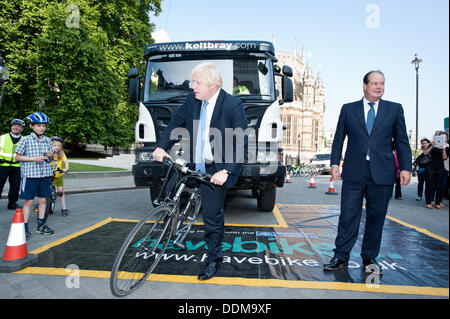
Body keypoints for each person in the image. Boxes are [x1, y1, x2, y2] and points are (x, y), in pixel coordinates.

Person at [153, 62, 248, 280]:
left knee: (212, 217)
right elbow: (175, 123)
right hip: (194, 160)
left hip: (217, 167)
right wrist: (161, 146)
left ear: (212, 85)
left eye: (197, 82)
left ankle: (214, 259)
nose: (192, 86)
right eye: (192, 81)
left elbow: (241, 142)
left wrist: (226, 171)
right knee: (170, 183)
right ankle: (170, 219)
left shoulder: (233, 105)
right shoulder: (192, 100)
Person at [324, 70, 411, 275]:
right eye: (374, 83)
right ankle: (341, 256)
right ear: (364, 86)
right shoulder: (348, 109)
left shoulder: (394, 109)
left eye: (382, 83)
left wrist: (406, 167)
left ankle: (370, 257)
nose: (378, 87)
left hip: (383, 172)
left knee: (376, 217)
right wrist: (335, 163)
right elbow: (338, 139)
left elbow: (402, 141)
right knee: (348, 216)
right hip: (355, 170)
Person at [14, 112, 54, 239]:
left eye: (43, 126)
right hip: (30, 175)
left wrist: (50, 155)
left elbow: (52, 157)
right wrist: (34, 159)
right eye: (38, 125)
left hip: (45, 175)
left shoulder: (48, 140)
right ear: (31, 126)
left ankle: (41, 225)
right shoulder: (25, 140)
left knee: (43, 200)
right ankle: (24, 227)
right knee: (29, 202)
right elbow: (17, 157)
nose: (42, 128)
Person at [0, 119, 25, 210]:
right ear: (11, 126)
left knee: (15, 186)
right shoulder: (2, 137)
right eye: (14, 125)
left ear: (22, 129)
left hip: (17, 166)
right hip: (3, 164)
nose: (16, 127)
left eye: (18, 126)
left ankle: (12, 203)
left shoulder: (24, 139)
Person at [422, 131, 449, 210]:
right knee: (429, 185)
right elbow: (425, 153)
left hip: (441, 168)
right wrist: (432, 146)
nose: (443, 138)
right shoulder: (432, 144)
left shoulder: (446, 147)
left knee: (439, 186)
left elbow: (444, 158)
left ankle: (437, 203)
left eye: (445, 138)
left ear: (446, 139)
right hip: (430, 167)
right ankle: (428, 202)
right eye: (441, 137)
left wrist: (443, 149)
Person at [50, 136, 69, 216]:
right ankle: (41, 204)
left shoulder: (61, 154)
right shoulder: (49, 153)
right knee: (43, 191)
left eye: (58, 146)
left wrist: (66, 168)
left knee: (61, 192)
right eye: (55, 145)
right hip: (49, 175)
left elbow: (66, 161)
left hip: (58, 175)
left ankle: (64, 208)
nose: (57, 147)